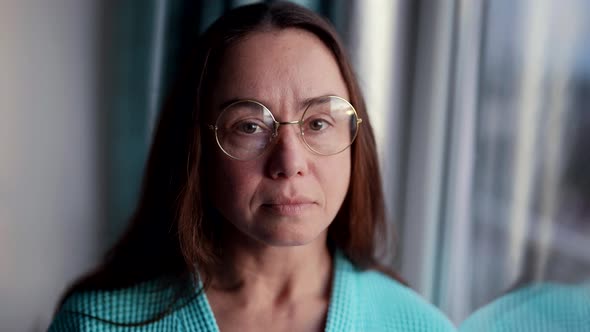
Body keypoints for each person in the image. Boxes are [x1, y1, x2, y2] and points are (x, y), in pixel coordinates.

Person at [49, 2, 456, 331]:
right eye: (249, 126)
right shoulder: (96, 323)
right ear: (196, 148)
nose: (290, 162)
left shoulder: (421, 326)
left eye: (317, 123)